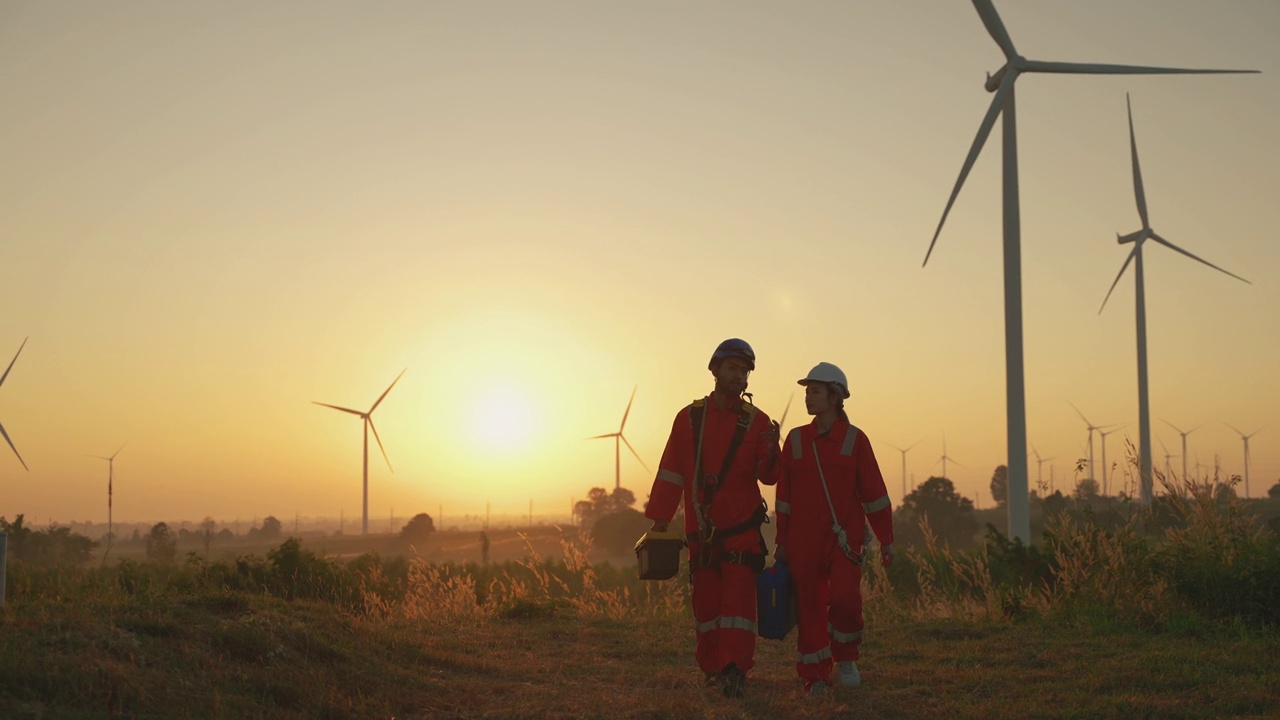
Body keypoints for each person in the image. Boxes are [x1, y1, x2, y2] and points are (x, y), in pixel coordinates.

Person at [644, 338, 782, 699]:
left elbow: (768, 476)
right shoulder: (689, 419)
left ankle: (734, 669)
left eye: (745, 371)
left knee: (737, 608)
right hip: (701, 534)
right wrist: (660, 518)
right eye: (733, 368)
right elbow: (671, 471)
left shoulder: (757, 422)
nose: (739, 376)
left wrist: (772, 448)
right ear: (716, 370)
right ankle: (711, 668)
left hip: (741, 532)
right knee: (706, 607)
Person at [774, 361, 895, 697]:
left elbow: (874, 493)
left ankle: (846, 658)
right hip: (803, 540)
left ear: (835, 397)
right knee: (809, 606)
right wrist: (781, 542)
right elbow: (783, 498)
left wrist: (887, 539)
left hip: (844, 539)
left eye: (814, 391)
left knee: (845, 599)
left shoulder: (856, 440)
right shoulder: (796, 440)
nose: (808, 398)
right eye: (807, 392)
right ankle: (815, 674)